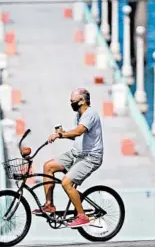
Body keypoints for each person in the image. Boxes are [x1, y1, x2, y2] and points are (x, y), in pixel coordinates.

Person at [32, 88, 104, 228]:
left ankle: (82, 216)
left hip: (90, 157)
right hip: (76, 153)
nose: (71, 104)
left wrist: (59, 135)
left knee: (66, 183)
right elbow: (77, 136)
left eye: (73, 101)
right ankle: (49, 205)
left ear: (82, 101)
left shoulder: (90, 114)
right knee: (48, 166)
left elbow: (78, 132)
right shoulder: (78, 115)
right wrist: (64, 133)